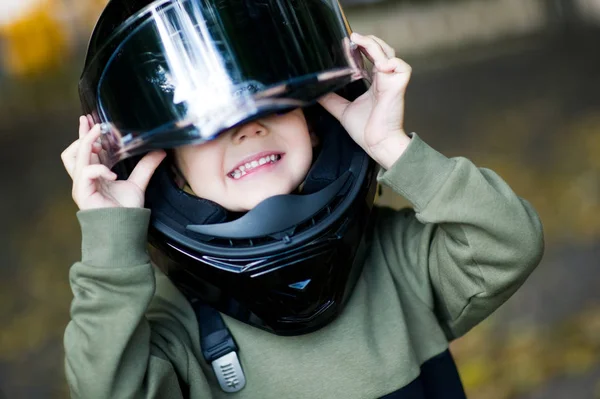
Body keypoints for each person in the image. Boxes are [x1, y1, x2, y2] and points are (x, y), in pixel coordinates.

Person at [61, 1, 544, 398]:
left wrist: (393, 148)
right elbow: (107, 388)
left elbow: (509, 242)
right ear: (165, 164)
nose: (248, 128)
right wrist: (110, 249)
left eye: (273, 99)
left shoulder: (398, 263)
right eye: (207, 126)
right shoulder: (178, 331)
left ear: (314, 118)